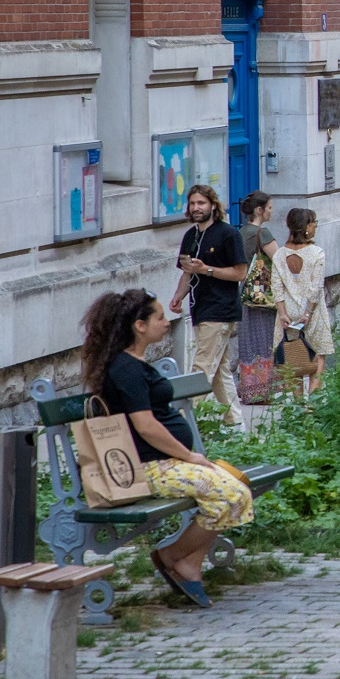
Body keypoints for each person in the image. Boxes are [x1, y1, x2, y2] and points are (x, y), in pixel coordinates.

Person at [82, 288, 254, 608]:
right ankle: (174, 557)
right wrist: (189, 456)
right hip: (148, 468)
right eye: (160, 317)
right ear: (140, 325)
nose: (166, 322)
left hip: (166, 463)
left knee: (236, 489)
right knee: (232, 495)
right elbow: (146, 426)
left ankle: (185, 561)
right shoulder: (126, 370)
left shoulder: (133, 364)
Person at [169, 184, 247, 428]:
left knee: (202, 367)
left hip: (221, 310)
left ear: (213, 205)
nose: (196, 208)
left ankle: (184, 425)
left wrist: (207, 270)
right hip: (199, 308)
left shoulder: (227, 234)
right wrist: (178, 297)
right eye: (192, 204)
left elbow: (240, 273)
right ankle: (236, 425)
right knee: (220, 372)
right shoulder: (190, 236)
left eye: (201, 203)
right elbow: (187, 272)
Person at [273, 208, 335, 393]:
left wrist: (282, 312)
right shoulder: (316, 253)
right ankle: (312, 404)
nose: (315, 225)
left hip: (288, 310)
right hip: (312, 310)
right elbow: (315, 287)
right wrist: (308, 312)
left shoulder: (279, 255)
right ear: (307, 227)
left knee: (294, 357)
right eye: (314, 222)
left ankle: (298, 408)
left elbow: (276, 287)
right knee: (318, 355)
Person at [236, 192, 280, 404]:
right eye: (269, 207)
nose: (271, 211)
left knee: (248, 340)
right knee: (264, 339)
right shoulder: (262, 233)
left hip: (245, 291)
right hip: (262, 292)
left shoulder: (241, 232)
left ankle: (249, 389)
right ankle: (262, 391)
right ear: (259, 210)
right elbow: (279, 261)